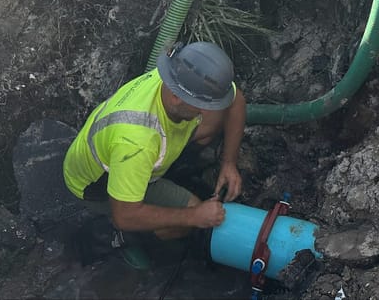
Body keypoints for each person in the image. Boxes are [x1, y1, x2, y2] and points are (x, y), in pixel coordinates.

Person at [62, 41, 247, 268]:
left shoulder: (176, 77)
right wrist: (195, 216)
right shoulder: (137, 142)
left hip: (145, 153)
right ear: (178, 97)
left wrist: (229, 163)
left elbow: (235, 100)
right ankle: (120, 237)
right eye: (200, 105)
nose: (205, 111)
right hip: (97, 187)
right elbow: (126, 214)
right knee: (190, 220)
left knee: (211, 125)